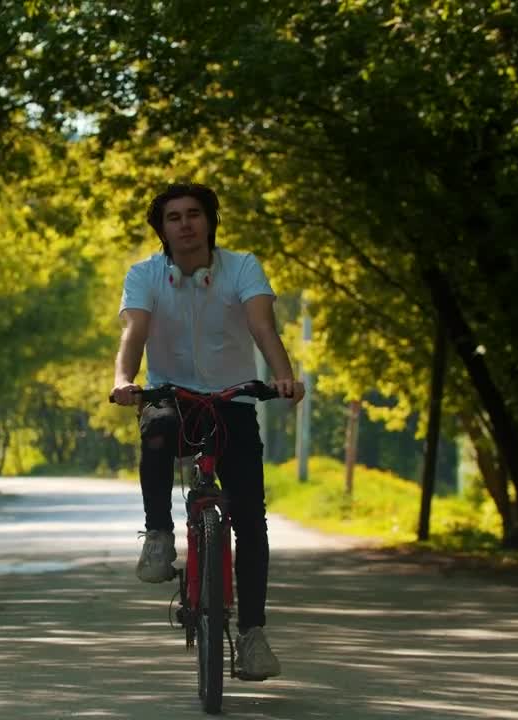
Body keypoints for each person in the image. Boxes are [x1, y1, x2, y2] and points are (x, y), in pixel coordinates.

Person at [110, 182, 305, 681]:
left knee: (251, 523)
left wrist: (281, 375)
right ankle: (159, 534)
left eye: (194, 214)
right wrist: (123, 381)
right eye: (173, 217)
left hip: (232, 398)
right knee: (156, 434)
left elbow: (263, 327)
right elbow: (134, 331)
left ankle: (253, 636)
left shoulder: (242, 268)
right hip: (172, 396)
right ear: (162, 229)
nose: (185, 224)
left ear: (210, 220)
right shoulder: (145, 275)